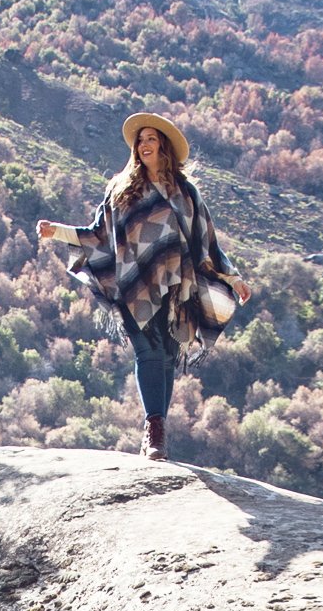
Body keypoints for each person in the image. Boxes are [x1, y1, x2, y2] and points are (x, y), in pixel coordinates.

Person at [39, 113, 251, 457]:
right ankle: (153, 429)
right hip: (133, 284)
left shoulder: (185, 193)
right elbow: (97, 235)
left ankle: (158, 435)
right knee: (147, 353)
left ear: (163, 145)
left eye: (151, 138)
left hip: (176, 289)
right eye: (140, 140)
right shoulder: (121, 190)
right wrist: (56, 231)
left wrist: (234, 278)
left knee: (166, 357)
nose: (144, 144)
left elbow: (207, 243)